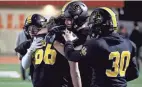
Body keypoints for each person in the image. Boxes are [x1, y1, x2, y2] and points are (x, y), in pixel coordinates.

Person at [63, 7, 139, 87]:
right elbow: (134, 74)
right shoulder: (130, 44)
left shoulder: (95, 44)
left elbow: (71, 56)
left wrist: (68, 41)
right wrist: (116, 81)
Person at [21, 14, 74, 87]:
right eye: (29, 29)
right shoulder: (33, 42)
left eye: (34, 28)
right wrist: (30, 50)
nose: (31, 31)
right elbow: (24, 65)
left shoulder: (58, 38)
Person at [15, 16, 32, 80]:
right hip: (27, 49)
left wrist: (17, 51)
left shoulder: (20, 33)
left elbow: (17, 42)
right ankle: (29, 75)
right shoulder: (28, 32)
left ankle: (24, 77)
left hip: (22, 50)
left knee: (22, 63)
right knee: (30, 62)